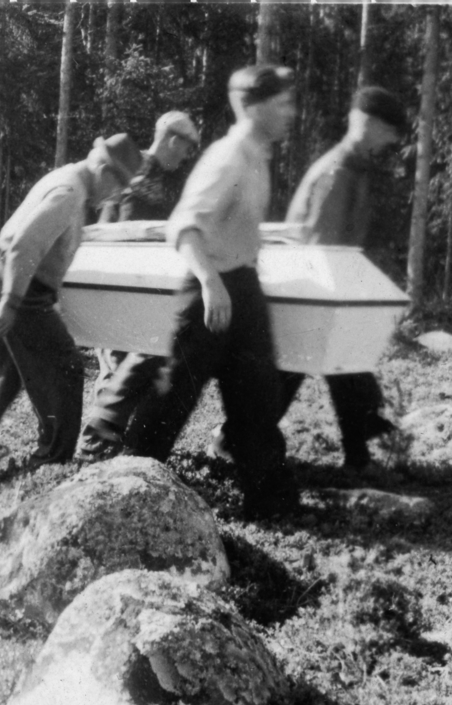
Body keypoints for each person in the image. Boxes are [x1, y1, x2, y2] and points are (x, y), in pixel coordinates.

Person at [122, 65, 301, 520]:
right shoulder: (227, 157)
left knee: (257, 400)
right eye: (283, 104)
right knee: (171, 398)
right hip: (208, 291)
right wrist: (209, 281)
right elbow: (183, 226)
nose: (291, 114)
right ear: (254, 106)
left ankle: (272, 508)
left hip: (242, 286)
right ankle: (124, 488)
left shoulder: (259, 157)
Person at [0, 134, 144, 497]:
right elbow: (24, 246)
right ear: (104, 171)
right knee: (66, 371)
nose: (114, 196)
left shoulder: (67, 178)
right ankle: (51, 465)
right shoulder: (69, 193)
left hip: (10, 281)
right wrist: (12, 303)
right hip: (22, 291)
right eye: (117, 187)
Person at [210, 86, 407, 472]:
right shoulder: (337, 172)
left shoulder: (355, 168)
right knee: (297, 372)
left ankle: (357, 450)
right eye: (389, 133)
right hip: (309, 288)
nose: (392, 144)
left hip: (320, 287)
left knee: (333, 366)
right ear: (369, 124)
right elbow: (323, 245)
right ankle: (231, 440)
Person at [79, 111, 202, 461]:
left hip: (153, 280)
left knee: (141, 362)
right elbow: (108, 220)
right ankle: (96, 448)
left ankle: (114, 444)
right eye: (187, 146)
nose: (187, 155)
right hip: (122, 278)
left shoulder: (173, 179)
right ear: (173, 139)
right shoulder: (134, 168)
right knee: (117, 362)